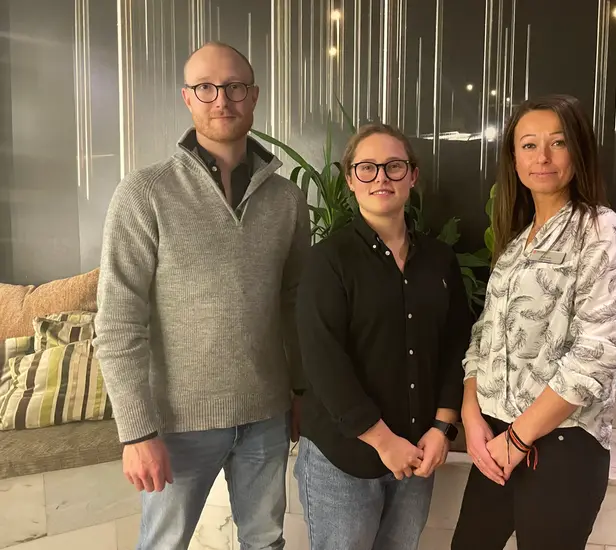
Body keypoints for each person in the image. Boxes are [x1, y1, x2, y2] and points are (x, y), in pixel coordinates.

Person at [94, 41, 309, 550]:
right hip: (177, 424)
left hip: (266, 415)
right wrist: (137, 432)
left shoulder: (287, 199)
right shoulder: (145, 193)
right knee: (164, 545)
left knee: (266, 542)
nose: (222, 100)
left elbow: (295, 304)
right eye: (206, 88)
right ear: (187, 98)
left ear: (253, 96)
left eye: (234, 86)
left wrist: (301, 391)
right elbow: (119, 322)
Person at [451, 95, 616, 550]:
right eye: (528, 145)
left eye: (558, 143)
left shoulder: (598, 227)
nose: (542, 157)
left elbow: (596, 353)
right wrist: (471, 413)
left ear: (578, 151)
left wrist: (517, 439)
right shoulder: (516, 243)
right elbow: (483, 335)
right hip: (495, 434)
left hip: (562, 444)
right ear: (514, 158)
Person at [294, 123, 472, 550]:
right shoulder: (328, 260)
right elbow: (322, 361)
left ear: (412, 175)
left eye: (394, 166)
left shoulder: (439, 260)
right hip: (344, 459)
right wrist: (382, 441)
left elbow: (457, 346)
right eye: (367, 168)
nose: (381, 178)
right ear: (350, 179)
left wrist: (442, 428)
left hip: (417, 453)